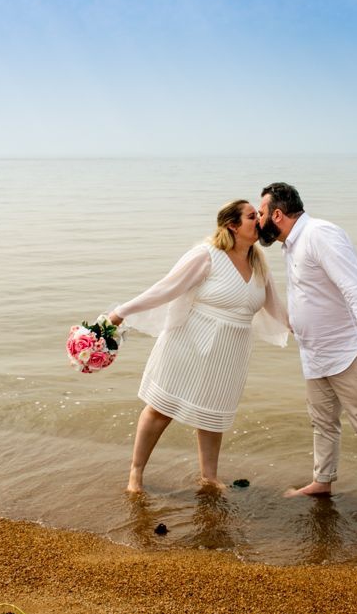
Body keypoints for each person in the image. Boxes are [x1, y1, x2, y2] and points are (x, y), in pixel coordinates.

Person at [107, 200, 288, 494]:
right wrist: (120, 313)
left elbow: (277, 310)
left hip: (231, 352)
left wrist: (319, 331)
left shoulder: (259, 264)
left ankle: (209, 477)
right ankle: (135, 473)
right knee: (161, 409)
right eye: (252, 216)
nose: (259, 220)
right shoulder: (207, 256)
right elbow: (166, 288)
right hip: (190, 342)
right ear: (232, 225)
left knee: (213, 413)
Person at [256, 182, 357, 525]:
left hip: (346, 351)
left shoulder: (321, 234)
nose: (259, 219)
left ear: (277, 214)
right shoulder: (291, 246)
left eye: (261, 213)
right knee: (323, 424)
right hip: (314, 355)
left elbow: (355, 286)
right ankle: (322, 482)